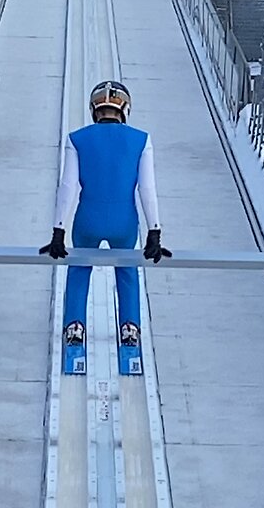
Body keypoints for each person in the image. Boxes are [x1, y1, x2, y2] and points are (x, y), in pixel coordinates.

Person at [39, 80, 172, 375]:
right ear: (125, 109)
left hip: (87, 219)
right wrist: (155, 230)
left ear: (94, 110)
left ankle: (74, 328)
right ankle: (129, 329)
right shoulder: (141, 139)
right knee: (127, 272)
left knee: (78, 270)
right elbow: (147, 189)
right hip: (125, 222)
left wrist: (58, 229)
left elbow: (68, 186)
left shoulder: (77, 139)